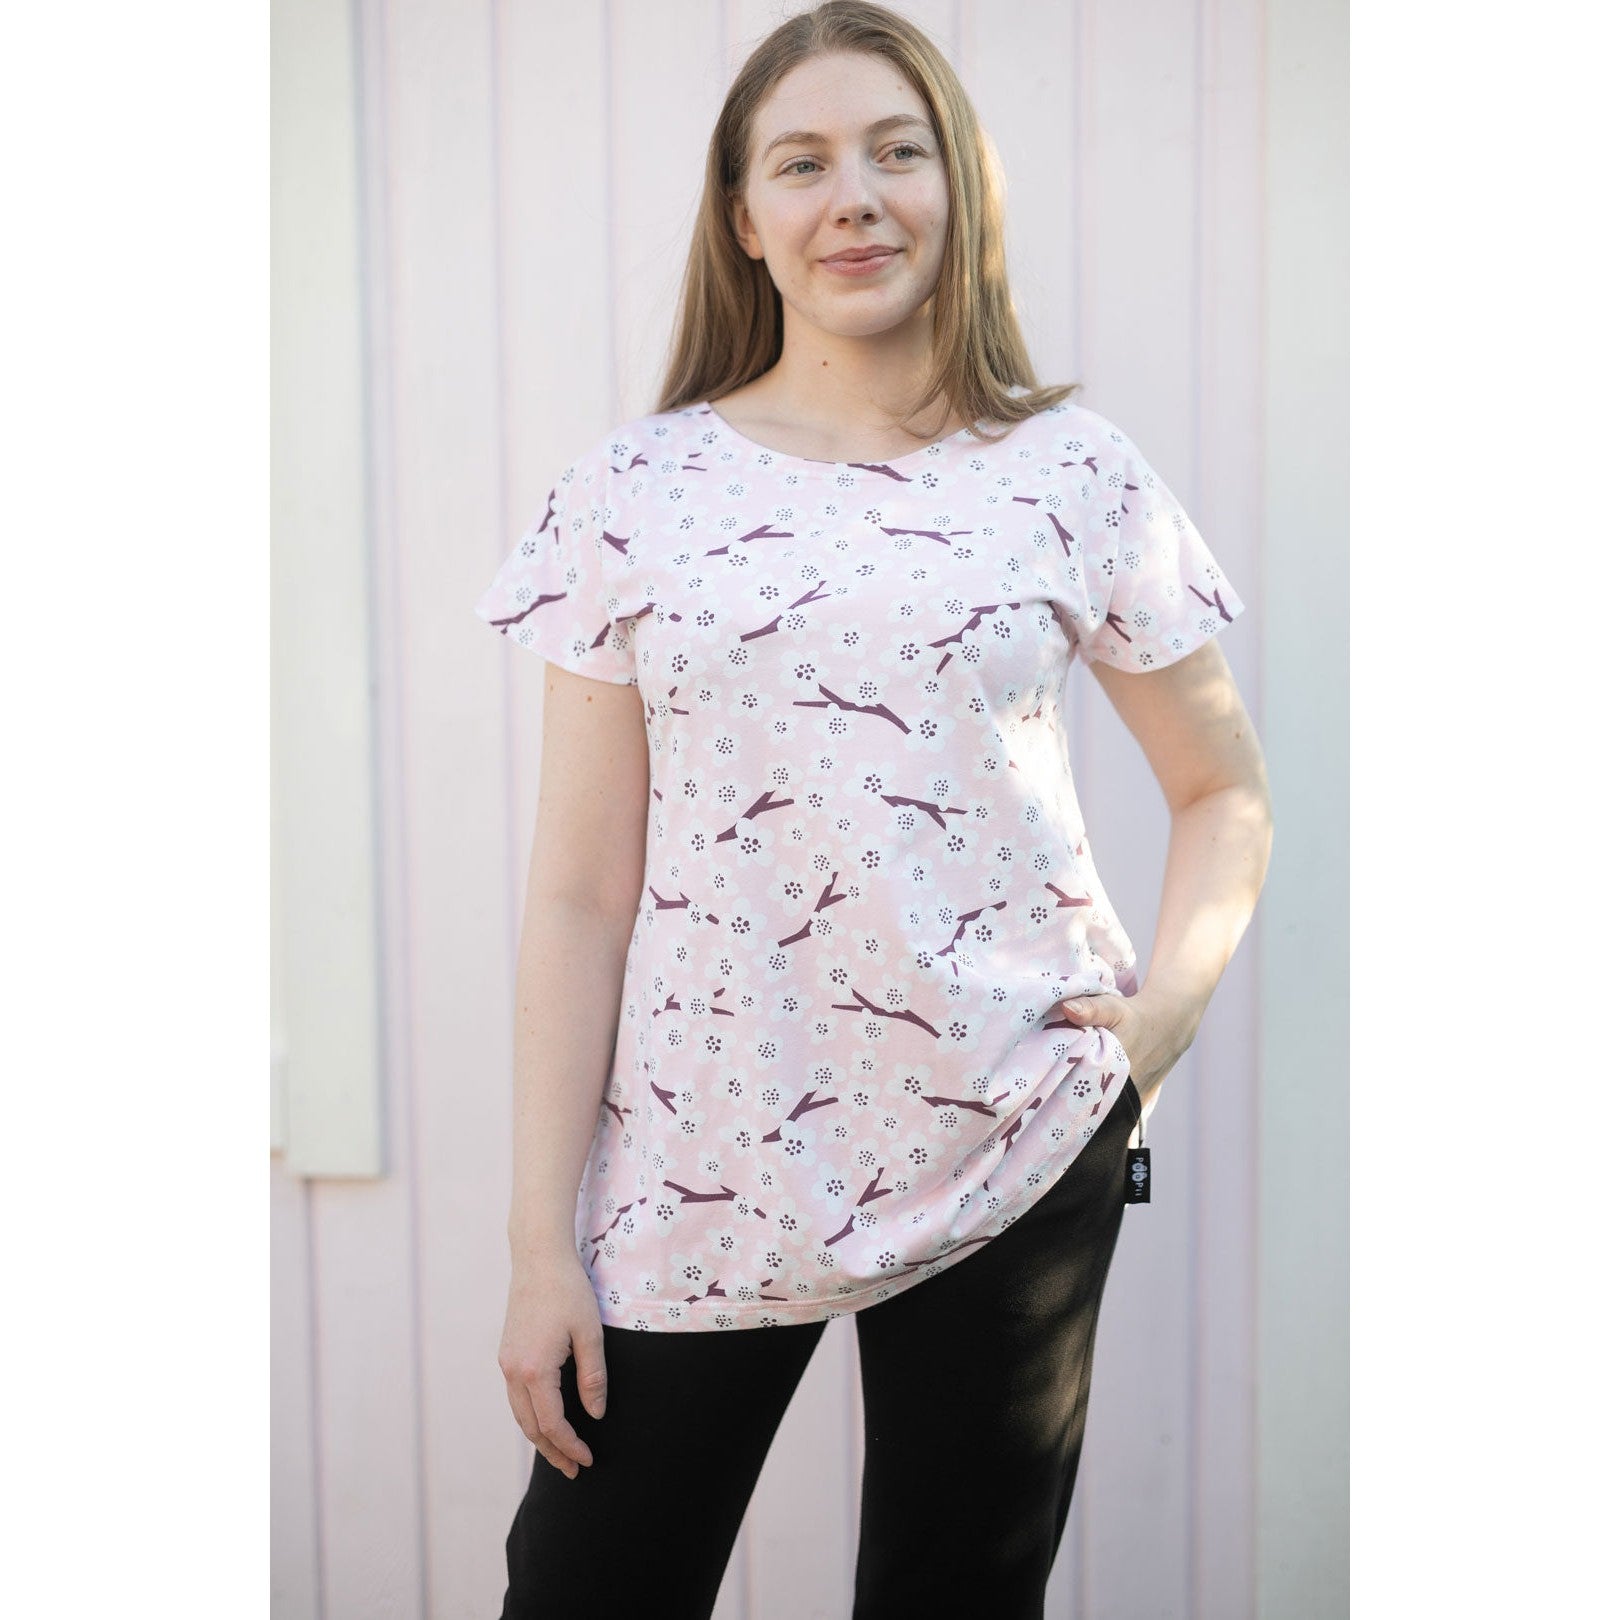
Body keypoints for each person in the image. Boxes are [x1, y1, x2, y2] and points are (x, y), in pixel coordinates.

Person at [472, 3, 1272, 1615]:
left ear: (955, 187)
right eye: (805, 162)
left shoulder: (1071, 474)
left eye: (899, 152)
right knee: (586, 1589)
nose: (857, 197)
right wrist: (540, 1242)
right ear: (744, 217)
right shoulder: (635, 493)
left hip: (1011, 1139)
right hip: (703, 1158)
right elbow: (579, 894)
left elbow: (1223, 792)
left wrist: (1155, 1029)